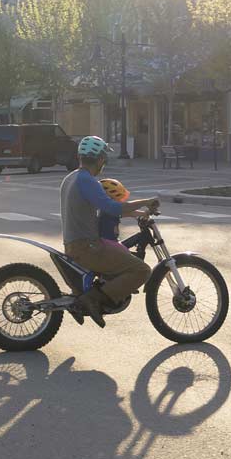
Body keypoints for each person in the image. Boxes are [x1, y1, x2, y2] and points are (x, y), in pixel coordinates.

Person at [60, 136, 159, 328]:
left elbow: (105, 209)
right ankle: (93, 299)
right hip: (88, 248)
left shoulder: (70, 178)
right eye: (104, 158)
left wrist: (138, 212)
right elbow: (113, 207)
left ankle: (95, 294)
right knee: (141, 270)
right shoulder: (87, 180)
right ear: (100, 159)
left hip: (74, 245)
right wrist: (146, 202)